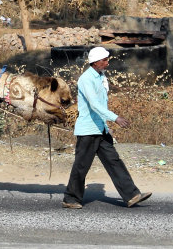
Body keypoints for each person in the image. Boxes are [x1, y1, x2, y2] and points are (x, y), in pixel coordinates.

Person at [63, 47, 152, 209]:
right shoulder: (86, 79)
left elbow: (102, 104)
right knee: (81, 166)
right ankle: (70, 198)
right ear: (95, 62)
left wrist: (106, 125)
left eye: (107, 59)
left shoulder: (100, 77)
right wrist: (115, 118)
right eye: (104, 60)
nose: (107, 62)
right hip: (88, 130)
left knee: (114, 162)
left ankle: (131, 195)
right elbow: (94, 104)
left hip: (100, 129)